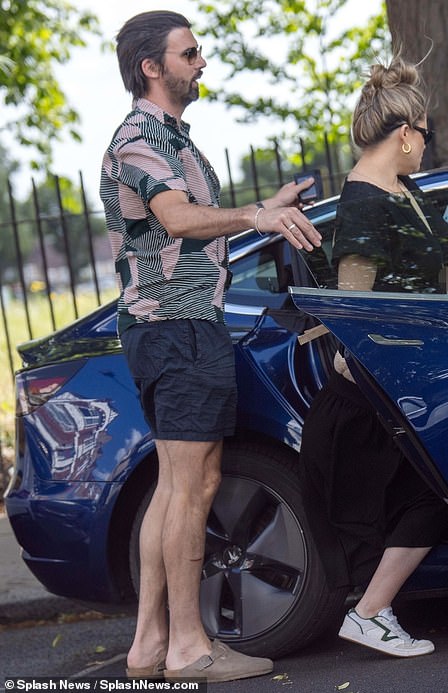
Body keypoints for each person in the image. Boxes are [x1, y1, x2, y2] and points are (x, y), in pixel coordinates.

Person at [100, 10, 321, 684]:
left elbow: (193, 229)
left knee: (180, 486)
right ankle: (190, 646)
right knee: (190, 488)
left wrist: (266, 207)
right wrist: (256, 214)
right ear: (152, 67)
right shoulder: (138, 137)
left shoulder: (175, 140)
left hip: (181, 324)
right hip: (175, 326)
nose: (201, 63)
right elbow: (173, 217)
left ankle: (147, 646)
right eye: (190, 53)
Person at [299, 56, 448, 658]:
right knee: (434, 496)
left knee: (435, 495)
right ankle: (369, 614)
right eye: (425, 134)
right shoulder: (365, 200)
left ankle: (372, 610)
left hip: (407, 376)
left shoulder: (404, 188)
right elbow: (355, 307)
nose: (425, 145)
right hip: (373, 390)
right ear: (406, 134)